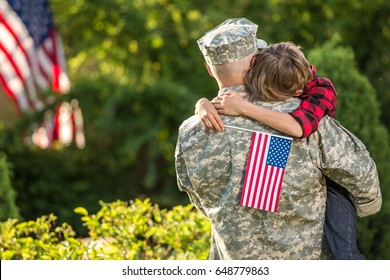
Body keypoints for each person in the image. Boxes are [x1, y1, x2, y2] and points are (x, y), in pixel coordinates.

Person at [174, 18, 382, 259]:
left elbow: (197, 198)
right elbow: (366, 185)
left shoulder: (190, 131)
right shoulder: (300, 114)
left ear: (209, 69)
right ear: (255, 62)